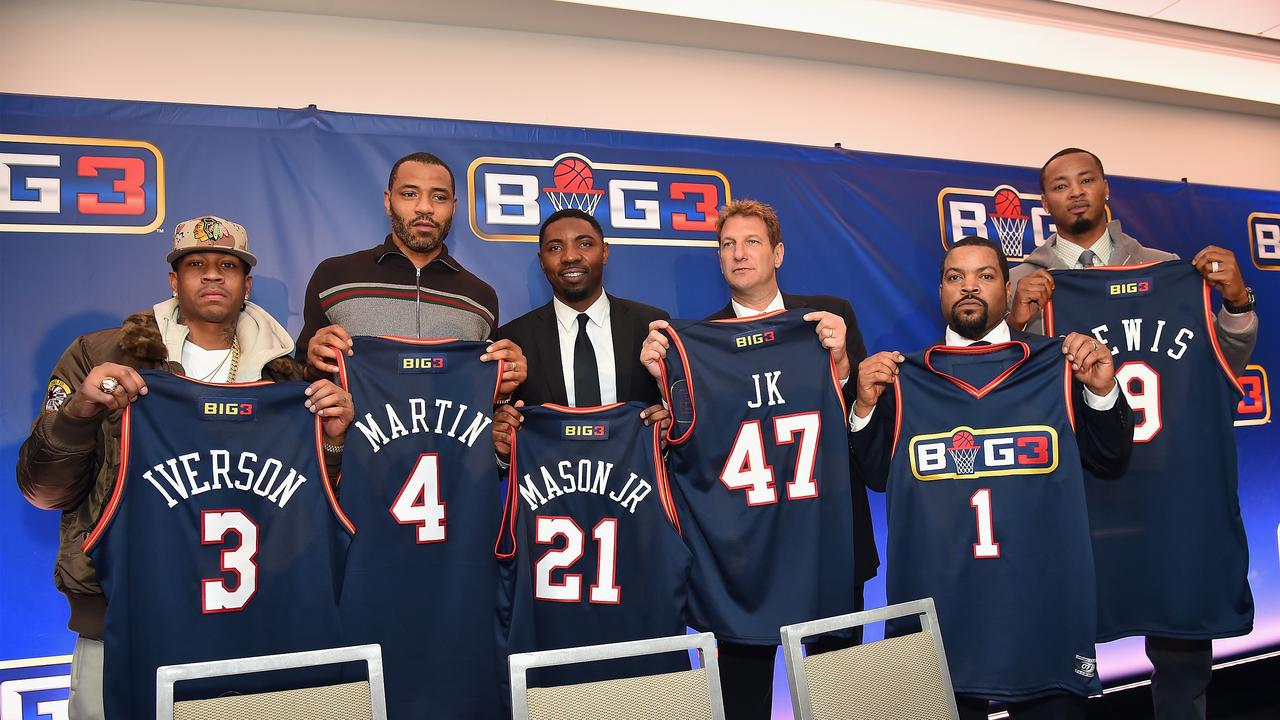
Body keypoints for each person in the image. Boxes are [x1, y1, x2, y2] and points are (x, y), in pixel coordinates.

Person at [15, 215, 354, 720]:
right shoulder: (100, 356)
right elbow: (42, 490)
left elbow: (308, 513)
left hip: (256, 621)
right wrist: (77, 414)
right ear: (174, 280)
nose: (212, 276)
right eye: (196, 264)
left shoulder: (288, 376)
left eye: (228, 266)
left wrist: (331, 445)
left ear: (246, 284)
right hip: (125, 616)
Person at [1010, 147, 1259, 720]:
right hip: (1072, 489)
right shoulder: (1026, 278)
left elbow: (1229, 362)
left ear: (1105, 188)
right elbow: (1000, 378)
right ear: (1044, 202)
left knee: (1179, 654)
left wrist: (1236, 300)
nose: (1075, 192)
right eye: (1059, 185)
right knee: (1061, 656)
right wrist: (1019, 323)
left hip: (1167, 489)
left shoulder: (1169, 267)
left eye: (1086, 180)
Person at [851, 235, 1133, 719]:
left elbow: (1111, 459)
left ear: (1007, 287)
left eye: (984, 276)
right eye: (955, 277)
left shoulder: (1061, 365)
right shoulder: (903, 377)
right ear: (939, 290)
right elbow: (878, 476)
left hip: (1042, 608)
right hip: (938, 611)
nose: (969, 287)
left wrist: (1104, 391)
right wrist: (862, 406)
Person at [640, 198, 875, 720]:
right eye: (727, 244)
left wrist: (841, 366)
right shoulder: (696, 344)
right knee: (743, 705)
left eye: (752, 242)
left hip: (826, 546)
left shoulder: (826, 320)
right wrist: (666, 382)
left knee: (841, 703)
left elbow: (857, 426)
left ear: (778, 253)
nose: (739, 254)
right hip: (740, 561)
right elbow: (690, 448)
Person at [296, 151, 526, 392]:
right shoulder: (334, 277)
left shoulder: (481, 297)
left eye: (439, 197)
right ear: (388, 201)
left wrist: (505, 387)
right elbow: (300, 380)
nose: (424, 207)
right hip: (354, 431)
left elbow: (483, 396)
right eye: (409, 194)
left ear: (454, 207)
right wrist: (313, 367)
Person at [491, 208, 670, 461]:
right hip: (552, 495)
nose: (570, 257)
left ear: (605, 252)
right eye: (555, 248)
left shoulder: (651, 326)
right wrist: (501, 445)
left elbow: (682, 420)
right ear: (541, 260)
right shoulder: (513, 338)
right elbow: (504, 442)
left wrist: (667, 428)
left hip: (637, 493)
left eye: (585, 244)